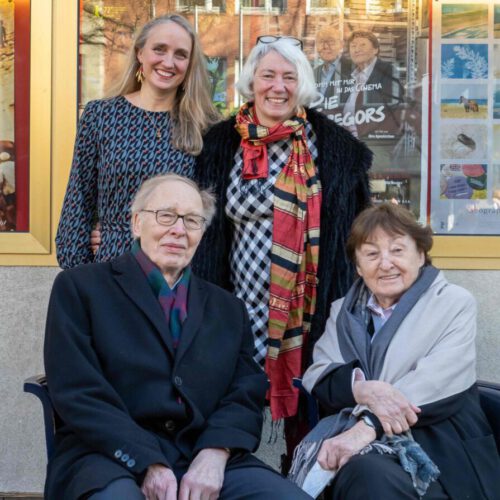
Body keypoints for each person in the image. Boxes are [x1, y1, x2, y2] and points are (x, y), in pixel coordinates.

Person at [44, 174, 311, 500]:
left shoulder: (227, 308)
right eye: (166, 215)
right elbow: (78, 390)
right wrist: (147, 462)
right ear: (136, 223)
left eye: (192, 220)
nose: (178, 230)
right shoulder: (80, 288)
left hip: (200, 452)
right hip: (107, 454)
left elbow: (245, 391)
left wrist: (217, 451)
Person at [193, 35, 372, 462]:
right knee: (228, 416)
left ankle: (302, 481)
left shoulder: (334, 150)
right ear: (251, 81)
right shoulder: (219, 145)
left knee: (307, 418)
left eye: (289, 77)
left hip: (306, 314)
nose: (278, 86)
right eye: (267, 75)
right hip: (237, 310)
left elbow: (361, 231)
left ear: (302, 85)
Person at [290, 203, 500, 499]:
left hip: (439, 441)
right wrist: (364, 390)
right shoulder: (343, 311)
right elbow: (320, 373)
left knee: (367, 474)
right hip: (365, 446)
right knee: (355, 469)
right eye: (372, 254)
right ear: (359, 267)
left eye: (398, 250)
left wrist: (367, 427)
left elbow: (435, 380)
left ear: (421, 256)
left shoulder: (453, 303)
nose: (385, 263)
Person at [55, 14, 219, 269]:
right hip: (112, 264)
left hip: (176, 271)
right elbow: (79, 198)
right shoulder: (101, 115)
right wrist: (79, 270)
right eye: (159, 49)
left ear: (189, 64)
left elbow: (211, 214)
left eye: (180, 54)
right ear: (140, 53)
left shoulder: (205, 125)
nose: (168, 62)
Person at [342, 30, 404, 140]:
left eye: (363, 45)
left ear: (375, 49)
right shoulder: (351, 75)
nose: (357, 50)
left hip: (376, 141)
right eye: (353, 46)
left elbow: (393, 110)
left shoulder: (387, 71)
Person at [313, 26, 351, 113]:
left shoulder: (353, 69)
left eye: (331, 42)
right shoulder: (313, 73)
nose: (326, 46)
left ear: (341, 45)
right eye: (321, 42)